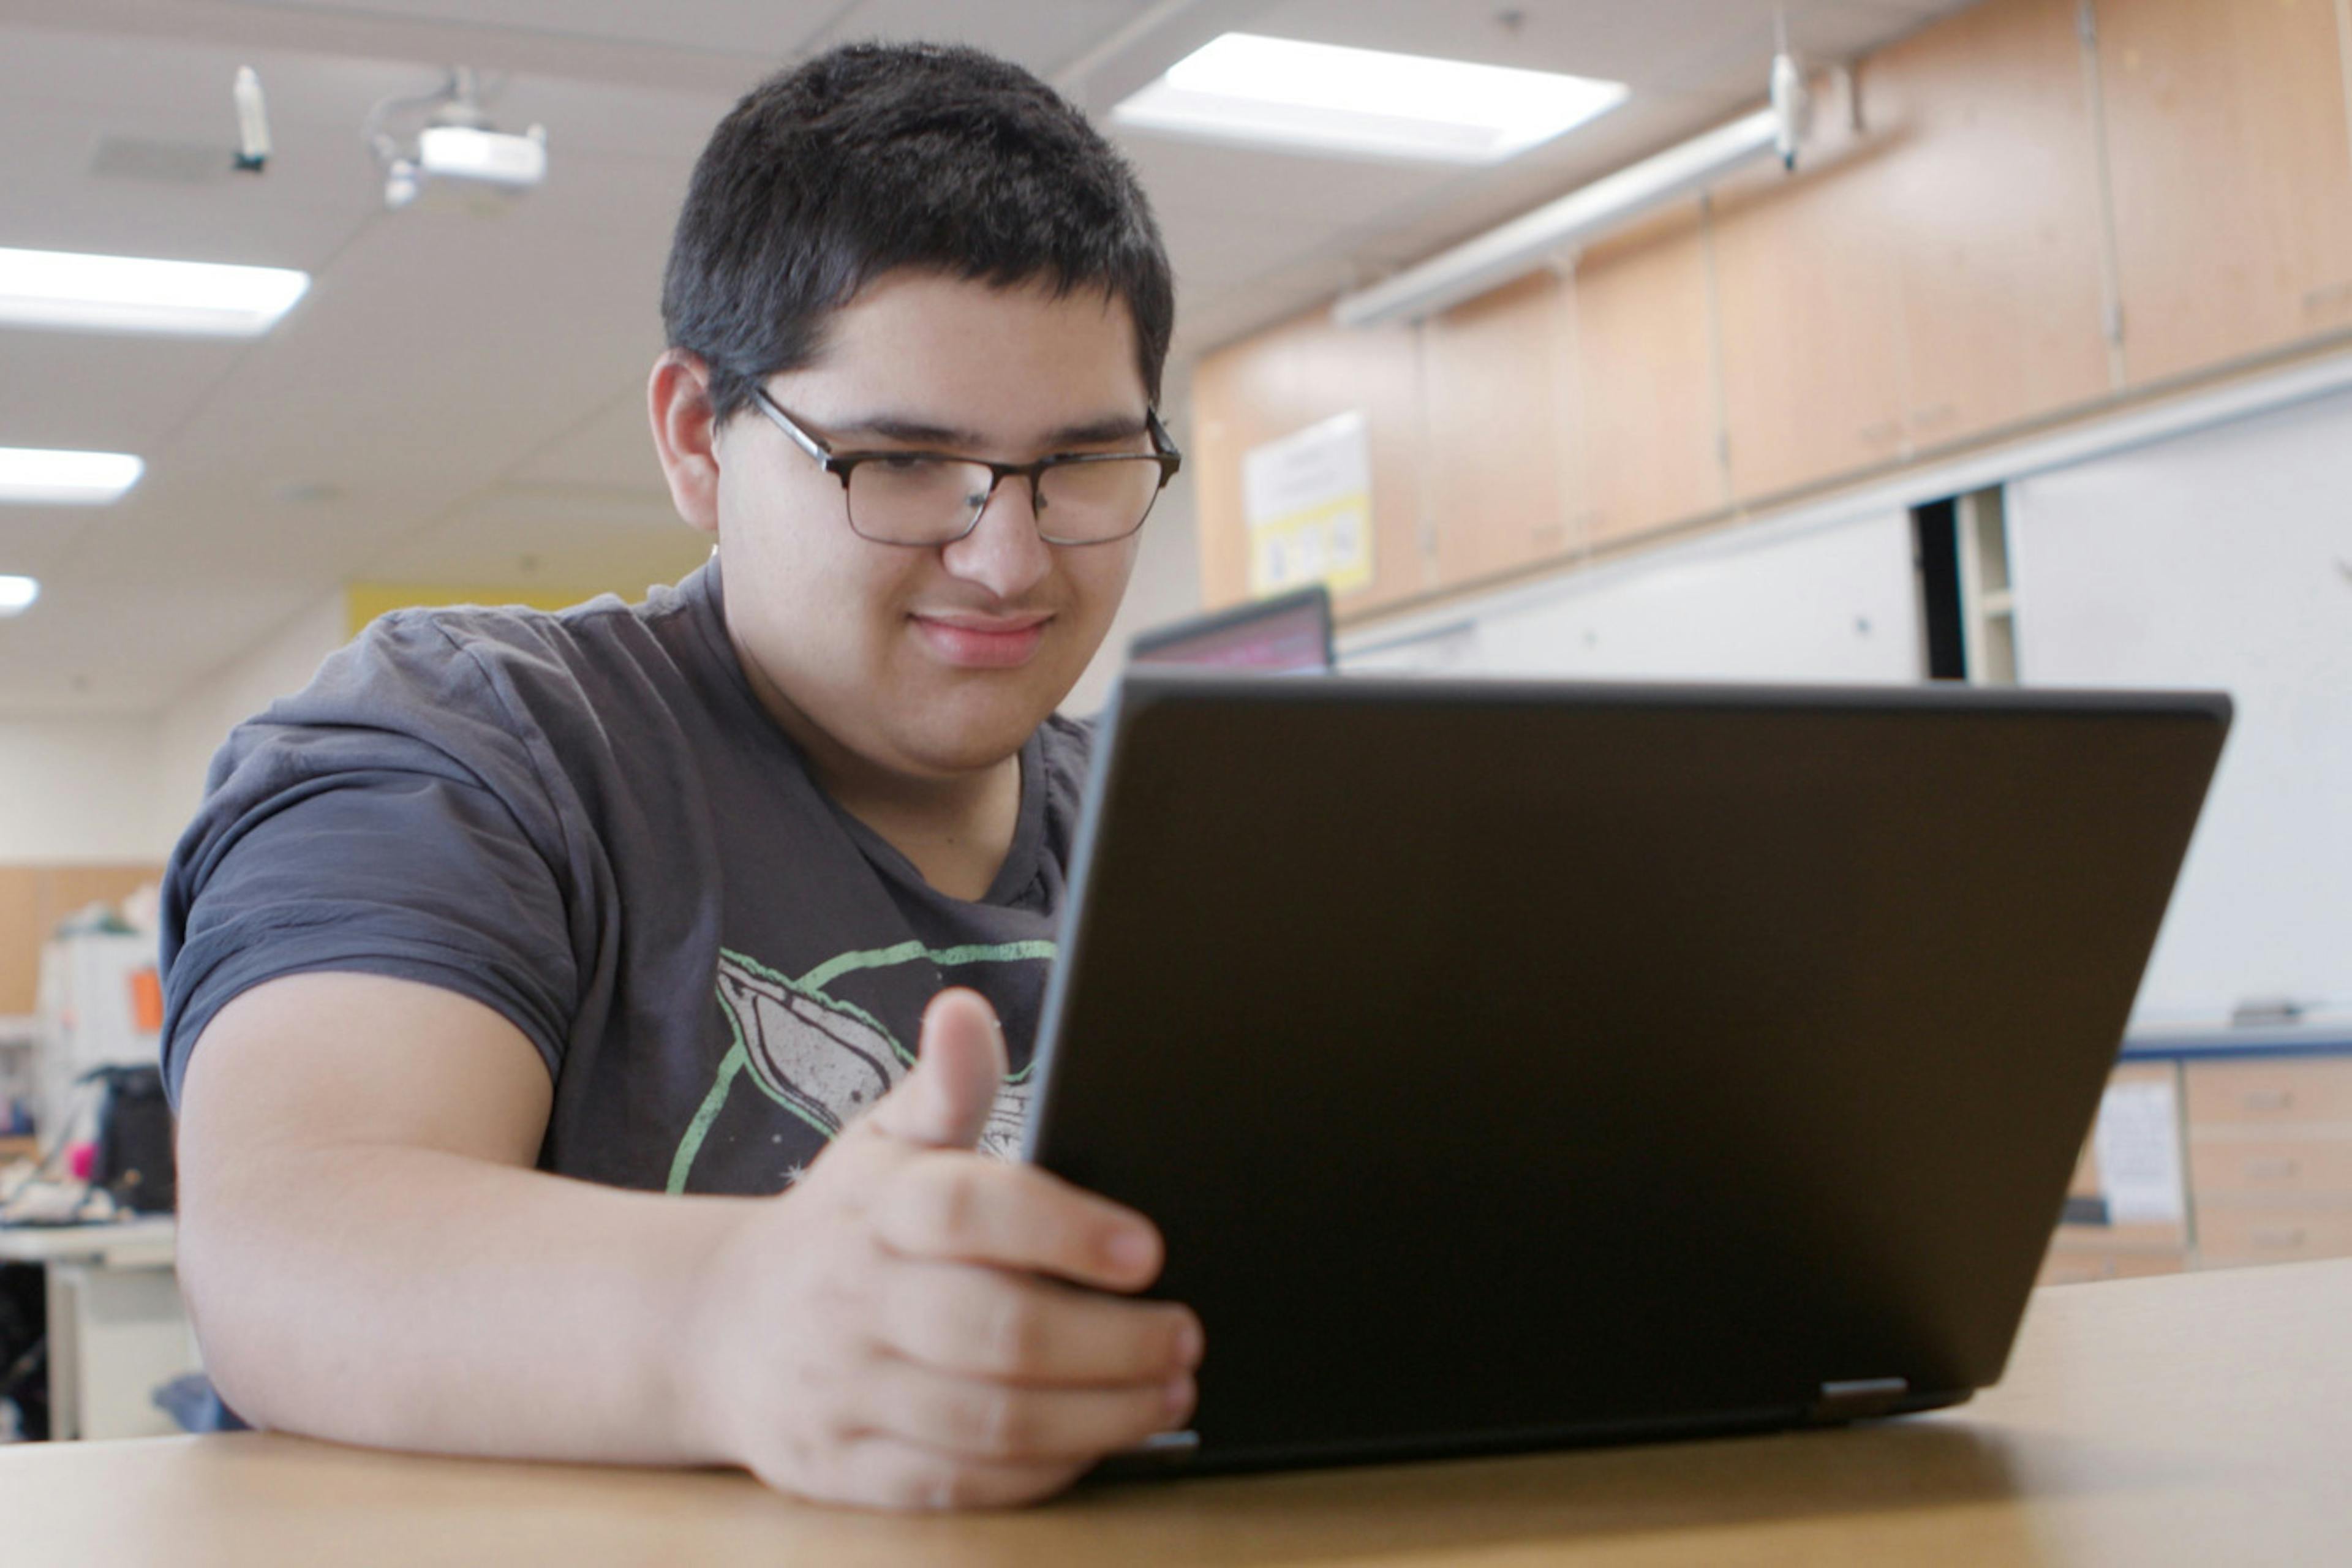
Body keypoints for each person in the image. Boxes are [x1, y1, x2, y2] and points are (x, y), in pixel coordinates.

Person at [159, 40, 1202, 1511]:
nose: (1009, 556)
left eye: (1083, 463)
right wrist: (736, 1319)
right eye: (903, 461)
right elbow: (290, 1236)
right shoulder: (474, 744)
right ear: (697, 442)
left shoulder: (1182, 843)